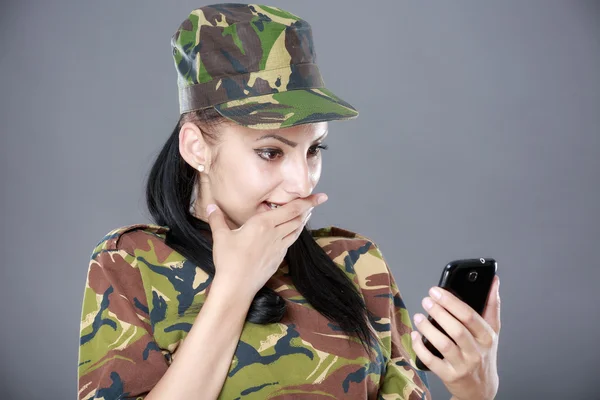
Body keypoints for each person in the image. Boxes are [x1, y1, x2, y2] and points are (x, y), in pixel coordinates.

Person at [77, 4, 501, 399]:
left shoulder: (357, 263)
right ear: (196, 148)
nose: (302, 183)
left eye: (314, 150)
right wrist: (234, 287)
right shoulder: (132, 263)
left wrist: (472, 391)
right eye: (270, 152)